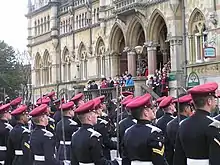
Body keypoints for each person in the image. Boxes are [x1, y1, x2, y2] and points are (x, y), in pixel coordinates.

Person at [174, 82, 220, 165]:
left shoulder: (183, 124)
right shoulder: (214, 125)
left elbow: (178, 157)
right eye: (214, 98)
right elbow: (216, 158)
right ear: (209, 101)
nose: (215, 101)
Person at [71, 100, 119, 165]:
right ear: (89, 118)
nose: (96, 115)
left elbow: (74, 161)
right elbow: (100, 162)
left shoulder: (75, 135)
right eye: (94, 113)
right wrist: (116, 162)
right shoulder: (94, 136)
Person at [123, 94, 167, 165]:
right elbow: (159, 160)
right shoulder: (154, 132)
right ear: (145, 112)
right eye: (150, 108)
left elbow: (125, 159)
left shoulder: (127, 131)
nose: (153, 110)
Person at [166, 94, 192, 165]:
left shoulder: (170, 125)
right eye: (191, 107)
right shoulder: (189, 124)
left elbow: (168, 149)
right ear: (186, 108)